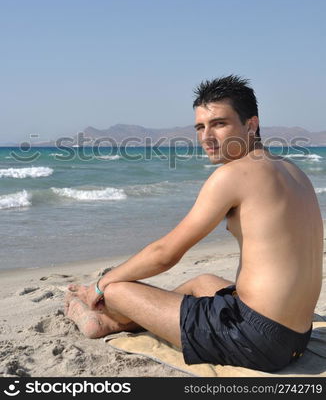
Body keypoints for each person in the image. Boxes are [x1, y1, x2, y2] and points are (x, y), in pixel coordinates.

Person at [65, 74, 323, 372]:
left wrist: (98, 286)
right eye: (201, 127)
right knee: (202, 282)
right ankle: (112, 320)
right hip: (295, 336)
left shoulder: (233, 175)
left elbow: (165, 253)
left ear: (251, 124)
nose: (206, 137)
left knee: (116, 290)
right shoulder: (292, 170)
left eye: (220, 124)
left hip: (255, 340)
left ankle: (102, 315)